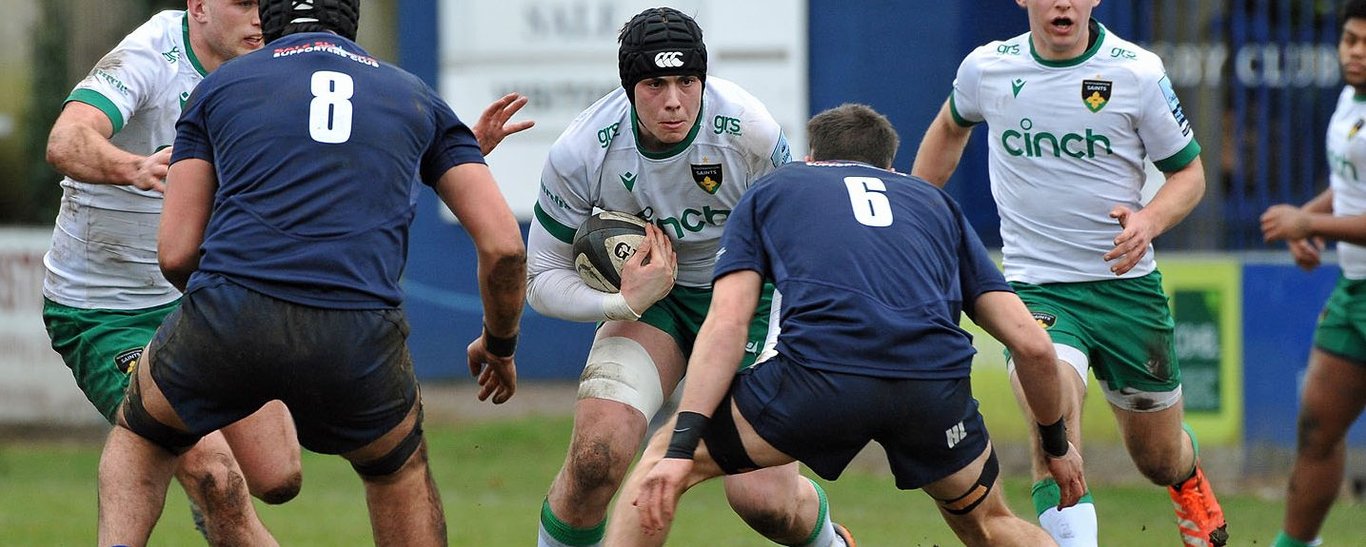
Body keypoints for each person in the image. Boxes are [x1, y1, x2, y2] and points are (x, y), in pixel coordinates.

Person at [94, 0, 527, 544]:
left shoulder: (220, 88)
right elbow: (505, 247)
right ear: (352, 19)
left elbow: (177, 253)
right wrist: (500, 344)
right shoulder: (415, 97)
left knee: (144, 439)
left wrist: (230, 309)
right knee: (396, 469)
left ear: (270, 21)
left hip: (230, 314)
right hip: (357, 334)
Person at [628, 103, 1086, 546]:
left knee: (661, 462)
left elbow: (728, 321)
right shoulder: (933, 204)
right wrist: (1057, 446)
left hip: (820, 380)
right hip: (929, 390)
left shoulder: (777, 187)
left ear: (812, 159)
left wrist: (683, 445)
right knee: (990, 525)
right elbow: (1033, 346)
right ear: (891, 169)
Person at [527, 7, 854, 547]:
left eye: (687, 81)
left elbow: (799, 238)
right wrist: (624, 302)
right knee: (595, 460)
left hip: (750, 298)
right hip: (656, 304)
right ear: (630, 86)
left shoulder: (748, 128)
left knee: (763, 502)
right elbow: (540, 276)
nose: (674, 100)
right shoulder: (583, 150)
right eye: (655, 84)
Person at [911, 1, 1226, 546]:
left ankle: (1187, 478)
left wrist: (1149, 219)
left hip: (1127, 292)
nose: (1063, 2)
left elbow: (1190, 174)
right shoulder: (988, 68)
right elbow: (949, 127)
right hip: (1036, 288)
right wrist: (914, 217)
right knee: (1049, 428)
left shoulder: (1136, 72)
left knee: (1157, 457)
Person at [40, 2, 301, 543]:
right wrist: (134, 167)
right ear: (199, 8)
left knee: (280, 477)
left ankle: (206, 504)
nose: (259, 16)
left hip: (200, 295)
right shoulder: (151, 54)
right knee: (216, 477)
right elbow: (65, 139)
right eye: (243, 3)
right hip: (107, 311)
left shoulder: (273, 64)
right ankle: (202, 487)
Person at [1260, 2, 1366, 546]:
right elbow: (1352, 180)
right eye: (1350, 39)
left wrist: (1311, 220)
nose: (1356, 51)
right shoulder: (1351, 97)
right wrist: (1314, 217)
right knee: (1318, 429)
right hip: (1355, 290)